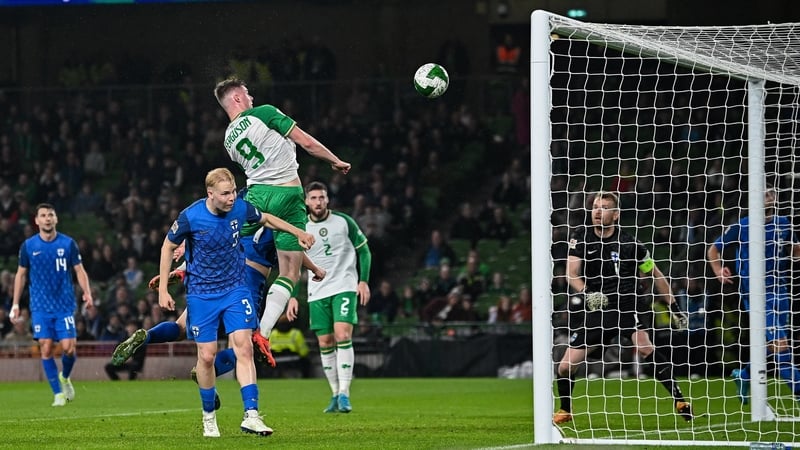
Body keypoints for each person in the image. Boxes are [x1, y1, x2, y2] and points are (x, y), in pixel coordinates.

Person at [158, 167, 313, 438]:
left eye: (232, 192)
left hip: (235, 290)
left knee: (244, 347)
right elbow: (167, 246)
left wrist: (296, 232)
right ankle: (209, 417)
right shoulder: (191, 216)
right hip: (202, 294)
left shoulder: (240, 208)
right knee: (207, 356)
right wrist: (163, 289)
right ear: (210, 194)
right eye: (225, 194)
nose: (231, 198)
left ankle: (251, 415)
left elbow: (267, 219)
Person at [213, 78, 351, 349]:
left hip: (256, 196)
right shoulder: (264, 112)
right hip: (288, 195)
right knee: (289, 272)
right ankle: (263, 333)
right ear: (238, 98)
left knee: (225, 238)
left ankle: (187, 268)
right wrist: (334, 160)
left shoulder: (228, 139)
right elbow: (307, 142)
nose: (251, 97)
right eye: (247, 93)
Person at [553, 191, 692, 425]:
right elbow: (571, 274)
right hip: (599, 307)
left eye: (604, 208)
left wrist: (675, 308)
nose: (598, 212)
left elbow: (657, 275)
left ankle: (680, 400)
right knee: (566, 367)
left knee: (645, 347)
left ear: (616, 214)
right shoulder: (580, 237)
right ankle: (565, 409)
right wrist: (588, 293)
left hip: (628, 306)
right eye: (595, 207)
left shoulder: (631, 244)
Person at [707, 187, 800, 404]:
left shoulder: (783, 223)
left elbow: (795, 251)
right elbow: (713, 249)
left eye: (771, 193)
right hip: (755, 293)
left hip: (780, 290)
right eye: (765, 193)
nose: (769, 197)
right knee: (780, 344)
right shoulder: (743, 225)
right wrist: (718, 270)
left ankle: (744, 375)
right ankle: (798, 388)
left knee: (772, 344)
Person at [286, 181, 371, 413]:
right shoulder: (301, 228)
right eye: (313, 198)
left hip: (344, 285)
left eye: (321, 197)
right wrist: (292, 296)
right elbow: (295, 264)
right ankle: (334, 393)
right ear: (306, 201)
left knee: (342, 334)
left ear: (327, 199)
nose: (318, 202)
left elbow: (364, 250)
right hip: (317, 291)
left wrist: (363, 281)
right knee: (324, 342)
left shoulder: (344, 221)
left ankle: (345, 392)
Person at [9, 203, 94, 407]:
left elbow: (79, 270)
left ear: (56, 219)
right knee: (46, 347)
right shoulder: (28, 246)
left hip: (64, 305)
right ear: (37, 220)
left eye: (50, 215)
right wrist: (15, 303)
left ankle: (65, 377)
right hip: (40, 306)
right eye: (43, 215)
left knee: (69, 348)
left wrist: (87, 293)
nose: (47, 218)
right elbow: (21, 275)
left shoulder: (68, 244)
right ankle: (57, 394)